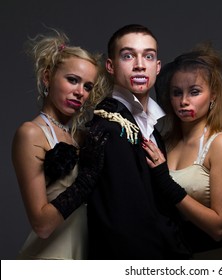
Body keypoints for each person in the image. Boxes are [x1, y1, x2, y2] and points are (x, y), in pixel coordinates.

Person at [50, 24, 191, 259]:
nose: (139, 64)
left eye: (148, 56)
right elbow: (125, 222)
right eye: (128, 55)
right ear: (110, 66)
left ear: (157, 67)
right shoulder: (110, 127)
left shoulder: (151, 128)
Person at [12, 29, 108, 259]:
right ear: (47, 77)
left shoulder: (79, 137)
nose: (80, 93)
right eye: (73, 80)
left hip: (84, 255)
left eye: (87, 87)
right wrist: (86, 180)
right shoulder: (31, 133)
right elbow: (42, 224)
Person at [142, 45, 222, 259]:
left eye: (194, 92)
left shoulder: (220, 144)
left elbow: (219, 228)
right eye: (177, 93)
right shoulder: (165, 142)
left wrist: (166, 184)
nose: (184, 101)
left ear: (213, 95)